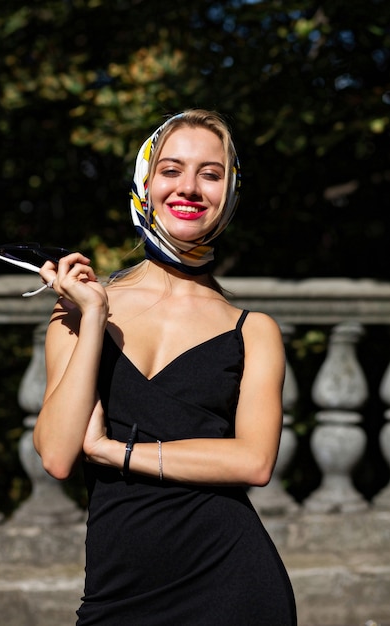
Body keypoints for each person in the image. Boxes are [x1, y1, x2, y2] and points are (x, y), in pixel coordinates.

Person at [34, 109, 297, 625]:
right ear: (145, 181)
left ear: (230, 191)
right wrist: (93, 318)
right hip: (118, 593)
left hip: (234, 585)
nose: (190, 188)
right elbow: (59, 455)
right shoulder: (80, 310)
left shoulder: (253, 329)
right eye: (172, 170)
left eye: (211, 173)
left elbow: (254, 462)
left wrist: (114, 450)